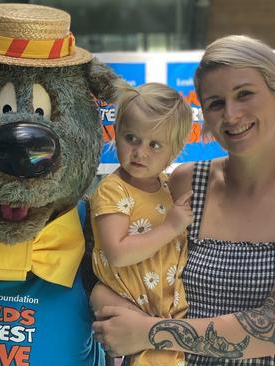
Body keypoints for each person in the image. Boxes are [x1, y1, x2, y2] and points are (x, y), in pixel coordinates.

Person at [91, 35, 275, 365]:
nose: (231, 114)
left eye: (244, 94)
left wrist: (150, 331)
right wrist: (105, 300)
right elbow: (126, 263)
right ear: (205, 117)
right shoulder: (185, 181)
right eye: (215, 103)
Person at [90, 81, 194, 365]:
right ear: (116, 134)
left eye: (155, 144)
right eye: (131, 138)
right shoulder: (114, 190)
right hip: (126, 301)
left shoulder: (165, 186)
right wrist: (171, 228)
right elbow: (118, 252)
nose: (140, 152)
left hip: (162, 307)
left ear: (173, 153)